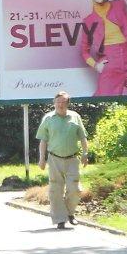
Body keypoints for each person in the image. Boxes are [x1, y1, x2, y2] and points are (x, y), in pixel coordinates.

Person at [36, 91, 89, 229]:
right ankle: (60, 219)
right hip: (54, 158)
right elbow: (43, 140)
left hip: (72, 159)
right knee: (55, 190)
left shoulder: (75, 117)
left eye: (63, 102)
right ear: (54, 103)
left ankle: (70, 213)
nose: (60, 105)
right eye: (58, 102)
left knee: (75, 189)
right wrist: (42, 159)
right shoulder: (48, 118)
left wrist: (85, 153)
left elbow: (83, 137)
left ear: (67, 103)